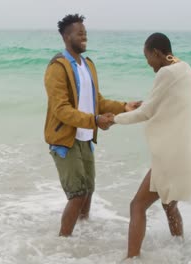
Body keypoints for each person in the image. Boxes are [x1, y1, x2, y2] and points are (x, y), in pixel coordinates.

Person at [112, 32, 191, 258]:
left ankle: (131, 258)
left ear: (157, 53)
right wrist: (140, 106)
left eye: (147, 57)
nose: (148, 63)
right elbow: (166, 105)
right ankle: (180, 250)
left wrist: (113, 119)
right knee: (169, 205)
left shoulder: (166, 73)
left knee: (137, 206)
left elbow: (148, 112)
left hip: (173, 157)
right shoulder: (186, 68)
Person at [44, 14, 141, 237]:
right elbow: (61, 109)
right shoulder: (57, 67)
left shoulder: (88, 65)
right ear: (67, 37)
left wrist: (123, 106)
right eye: (80, 33)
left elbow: (97, 100)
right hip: (65, 141)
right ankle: (63, 243)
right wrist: (94, 121)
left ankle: (84, 235)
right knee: (77, 194)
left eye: (85, 32)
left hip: (86, 138)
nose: (84, 36)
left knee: (88, 192)